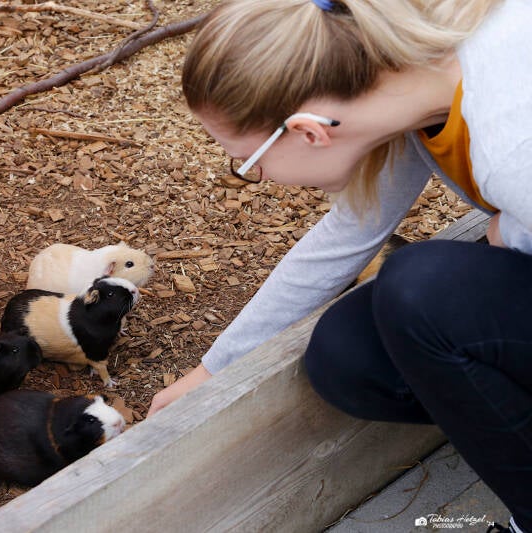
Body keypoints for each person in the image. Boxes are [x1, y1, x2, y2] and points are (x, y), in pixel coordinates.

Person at [146, 0, 532, 531]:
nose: (252, 177)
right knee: (347, 355)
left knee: (420, 289)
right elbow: (347, 234)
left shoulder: (510, 134)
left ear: (308, 131)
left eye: (248, 162)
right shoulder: (414, 91)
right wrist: (214, 371)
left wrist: (513, 233)